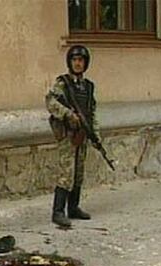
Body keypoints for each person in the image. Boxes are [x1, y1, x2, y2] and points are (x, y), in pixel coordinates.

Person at [46, 45, 102, 228]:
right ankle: (58, 211)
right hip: (67, 134)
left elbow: (92, 112)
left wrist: (96, 135)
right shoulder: (62, 83)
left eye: (81, 61)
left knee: (78, 172)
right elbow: (50, 101)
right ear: (70, 62)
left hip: (82, 135)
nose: (78, 64)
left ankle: (74, 207)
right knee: (66, 172)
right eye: (75, 60)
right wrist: (68, 114)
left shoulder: (88, 87)